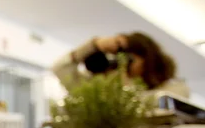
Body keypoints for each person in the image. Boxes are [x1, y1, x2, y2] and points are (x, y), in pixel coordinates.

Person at [52, 32, 190, 101]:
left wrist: (124, 85)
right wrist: (93, 45)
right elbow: (60, 69)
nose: (121, 65)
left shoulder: (174, 89)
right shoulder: (101, 91)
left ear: (147, 58)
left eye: (128, 58)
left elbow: (140, 108)